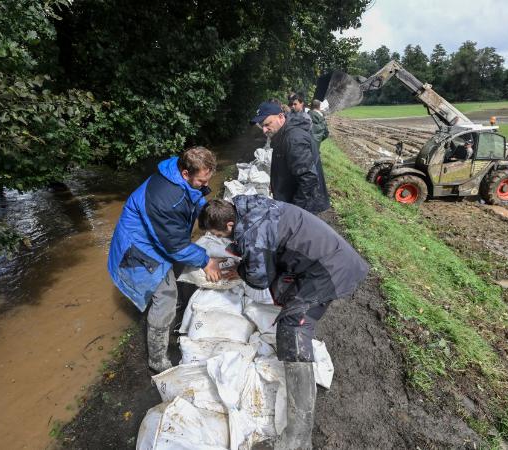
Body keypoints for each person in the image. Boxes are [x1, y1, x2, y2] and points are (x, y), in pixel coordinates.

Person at [199, 196, 369, 450]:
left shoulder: (252, 233)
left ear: (230, 224)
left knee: (293, 326)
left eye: (218, 234)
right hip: (320, 258)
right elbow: (263, 252)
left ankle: (298, 437)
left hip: (331, 269)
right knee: (287, 299)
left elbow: (259, 279)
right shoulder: (248, 206)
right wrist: (246, 260)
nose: (220, 239)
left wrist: (244, 269)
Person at [107, 146, 223, 372]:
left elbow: (194, 198)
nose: (204, 184)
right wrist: (206, 261)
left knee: (177, 269)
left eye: (208, 179)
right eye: (200, 180)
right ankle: (158, 359)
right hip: (138, 248)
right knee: (166, 296)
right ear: (185, 174)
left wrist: (210, 213)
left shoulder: (179, 172)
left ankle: (172, 310)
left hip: (158, 238)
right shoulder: (166, 199)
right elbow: (175, 246)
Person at [250, 100, 330, 214]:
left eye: (267, 124)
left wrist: (293, 212)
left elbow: (308, 179)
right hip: (292, 200)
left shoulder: (293, 139)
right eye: (262, 126)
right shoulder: (281, 133)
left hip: (304, 208)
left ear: (281, 117)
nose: (264, 130)